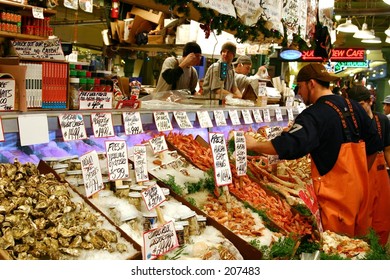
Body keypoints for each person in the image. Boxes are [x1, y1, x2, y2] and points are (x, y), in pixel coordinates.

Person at [244, 63, 381, 238]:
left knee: (336, 250)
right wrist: (359, 176)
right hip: (361, 194)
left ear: (311, 83)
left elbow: (289, 145)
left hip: (335, 200)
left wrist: (254, 144)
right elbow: (375, 144)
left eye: (300, 87)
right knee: (357, 248)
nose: (299, 93)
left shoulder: (315, 113)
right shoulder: (353, 106)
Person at [347, 85, 390, 246]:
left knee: (382, 221)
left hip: (380, 176)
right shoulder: (349, 122)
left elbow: (387, 149)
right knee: (361, 223)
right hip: (358, 175)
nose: (357, 110)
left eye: (361, 105)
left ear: (369, 101)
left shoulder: (382, 121)